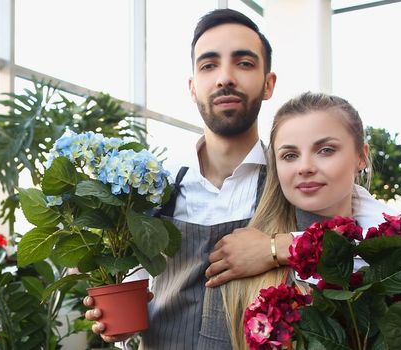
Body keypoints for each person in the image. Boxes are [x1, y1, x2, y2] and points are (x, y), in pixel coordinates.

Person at [84, 9, 282, 348]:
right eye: (209, 65)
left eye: (244, 63)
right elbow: (137, 293)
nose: (225, 78)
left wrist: (278, 248)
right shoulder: (154, 189)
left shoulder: (291, 181)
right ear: (192, 87)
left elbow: (361, 242)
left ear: (268, 84)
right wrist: (120, 326)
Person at [213, 92, 401, 350]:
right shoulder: (241, 260)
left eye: (326, 150)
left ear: (361, 156)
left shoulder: (398, 258)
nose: (305, 167)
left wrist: (281, 248)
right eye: (289, 155)